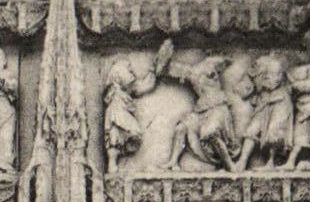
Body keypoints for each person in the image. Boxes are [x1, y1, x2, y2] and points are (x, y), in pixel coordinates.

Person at [102, 42, 172, 174]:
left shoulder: (126, 90)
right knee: (114, 137)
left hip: (121, 115)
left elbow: (145, 85)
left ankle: (117, 163)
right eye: (129, 71)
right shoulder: (114, 92)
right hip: (116, 115)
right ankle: (113, 164)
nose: (132, 74)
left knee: (125, 136)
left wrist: (154, 69)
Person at [164, 53, 238, 172]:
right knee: (181, 127)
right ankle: (173, 161)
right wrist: (165, 62)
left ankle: (229, 165)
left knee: (210, 132)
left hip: (217, 107)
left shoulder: (210, 63)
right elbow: (173, 70)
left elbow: (227, 60)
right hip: (201, 110)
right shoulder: (191, 72)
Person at [233, 54, 294, 170]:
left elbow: (273, 83)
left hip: (279, 101)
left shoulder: (274, 66)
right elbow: (247, 90)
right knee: (252, 129)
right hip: (264, 103)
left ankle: (271, 162)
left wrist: (258, 82)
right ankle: (242, 161)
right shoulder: (255, 73)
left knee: (274, 132)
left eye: (257, 64)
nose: (255, 65)